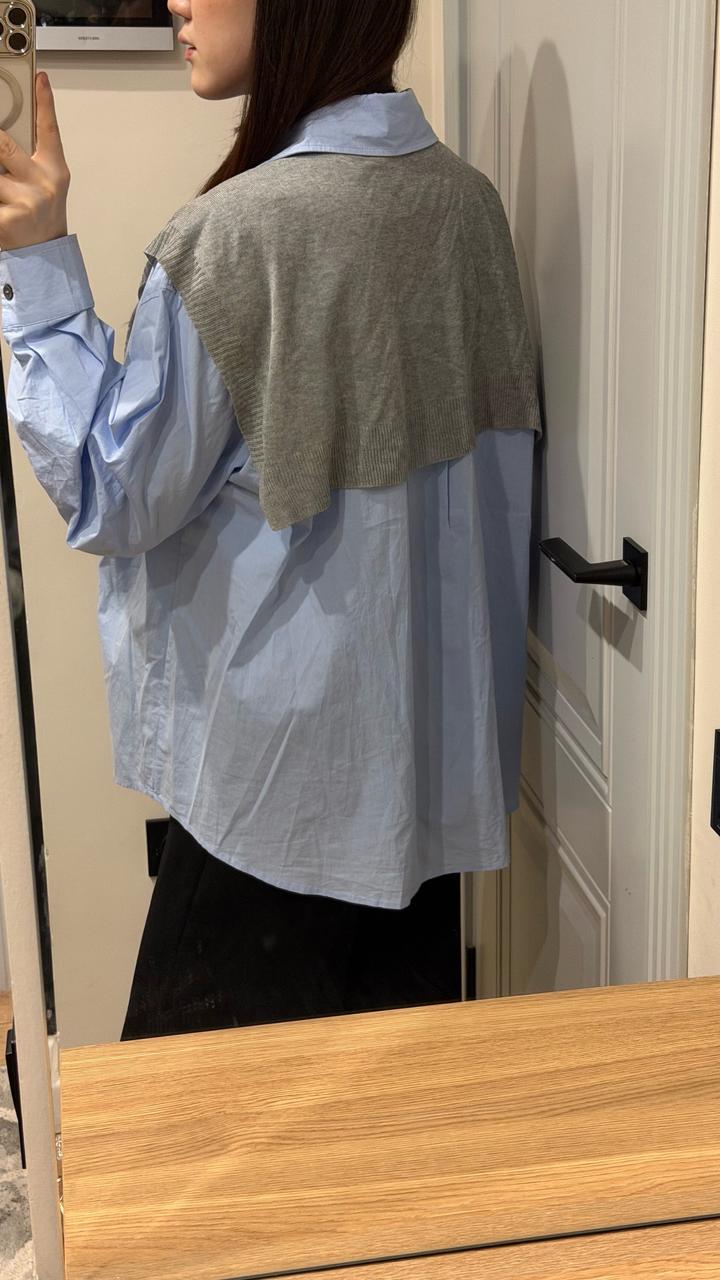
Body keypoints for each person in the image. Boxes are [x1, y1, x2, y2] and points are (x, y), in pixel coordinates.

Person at [0, 0, 542, 1040]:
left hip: (272, 803)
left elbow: (114, 496)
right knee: (388, 1116)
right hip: (421, 796)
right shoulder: (465, 203)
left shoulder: (235, 238)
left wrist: (38, 262)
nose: (176, 0)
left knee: (189, 1128)